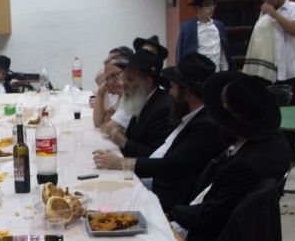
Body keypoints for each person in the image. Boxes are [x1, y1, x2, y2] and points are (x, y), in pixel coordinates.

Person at [169, 72, 292, 241]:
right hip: (218, 222)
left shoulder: (248, 164)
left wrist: (171, 213)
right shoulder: (271, 140)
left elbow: (210, 214)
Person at [93, 53, 226, 212]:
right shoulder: (190, 115)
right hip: (154, 184)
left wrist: (121, 163)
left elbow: (170, 166)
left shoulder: (205, 127)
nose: (170, 93)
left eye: (173, 87)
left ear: (187, 93)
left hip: (166, 200)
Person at [243, 0, 295, 163]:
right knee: (267, 115)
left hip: (288, 72)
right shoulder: (264, 13)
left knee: (288, 117)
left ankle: (291, 155)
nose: (267, 1)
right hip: (266, 72)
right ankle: (271, 152)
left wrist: (274, 14)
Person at [101, 49, 174, 158]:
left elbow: (156, 156)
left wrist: (124, 142)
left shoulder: (163, 109)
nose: (123, 84)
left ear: (147, 82)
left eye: (130, 80)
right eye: (124, 78)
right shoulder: (139, 99)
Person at [176, 0, 231, 71]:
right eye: (207, 5)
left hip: (217, 73)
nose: (211, 8)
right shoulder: (188, 28)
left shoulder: (219, 26)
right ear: (198, 7)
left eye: (213, 4)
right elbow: (180, 55)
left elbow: (223, 52)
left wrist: (225, 71)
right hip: (197, 74)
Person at [93, 56, 125, 129]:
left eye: (114, 75)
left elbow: (108, 126)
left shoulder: (131, 97)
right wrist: (100, 92)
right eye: (107, 79)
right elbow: (98, 123)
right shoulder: (119, 97)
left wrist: (107, 123)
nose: (110, 82)